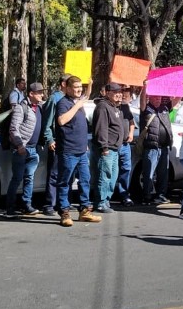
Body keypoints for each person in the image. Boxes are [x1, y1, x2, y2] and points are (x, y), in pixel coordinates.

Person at [55, 76, 100, 227]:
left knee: (85, 180)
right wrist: (77, 105)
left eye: (80, 87)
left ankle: (84, 211)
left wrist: (90, 84)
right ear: (67, 88)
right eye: (76, 87)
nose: (79, 90)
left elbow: (86, 96)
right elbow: (62, 120)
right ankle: (64, 213)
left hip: (81, 150)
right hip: (68, 150)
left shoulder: (78, 101)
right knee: (65, 182)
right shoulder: (63, 103)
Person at [5, 82, 53, 217]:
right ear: (31, 94)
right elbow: (14, 128)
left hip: (34, 149)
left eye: (42, 92)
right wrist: (20, 145)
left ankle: (27, 205)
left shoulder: (41, 107)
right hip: (21, 149)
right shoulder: (21, 108)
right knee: (17, 178)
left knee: (29, 178)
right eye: (39, 93)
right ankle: (10, 208)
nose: (42, 95)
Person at [91, 83, 126, 214]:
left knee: (113, 176)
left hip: (115, 148)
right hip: (107, 149)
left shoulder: (115, 108)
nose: (119, 94)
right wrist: (104, 147)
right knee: (104, 175)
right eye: (115, 92)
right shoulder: (102, 107)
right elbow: (101, 128)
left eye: (120, 91)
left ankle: (106, 200)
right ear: (107, 93)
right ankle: (100, 202)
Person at [39, 76, 68, 216]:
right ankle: (50, 204)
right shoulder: (54, 98)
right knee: (54, 174)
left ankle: (63, 203)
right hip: (57, 142)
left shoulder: (71, 100)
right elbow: (48, 121)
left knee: (68, 174)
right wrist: (49, 139)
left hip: (69, 143)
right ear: (63, 84)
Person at [140, 86, 174, 205]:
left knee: (163, 173)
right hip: (151, 148)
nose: (158, 99)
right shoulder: (146, 109)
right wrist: (145, 87)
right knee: (148, 173)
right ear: (151, 97)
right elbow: (142, 100)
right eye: (156, 97)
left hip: (164, 147)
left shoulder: (164, 109)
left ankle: (161, 195)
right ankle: (146, 196)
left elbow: (175, 101)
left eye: (160, 97)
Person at [116, 86, 137, 207]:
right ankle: (106, 197)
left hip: (125, 145)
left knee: (126, 169)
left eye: (123, 94)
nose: (121, 96)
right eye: (119, 93)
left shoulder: (125, 106)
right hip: (113, 145)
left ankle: (124, 195)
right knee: (111, 172)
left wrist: (130, 134)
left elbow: (131, 122)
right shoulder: (107, 106)